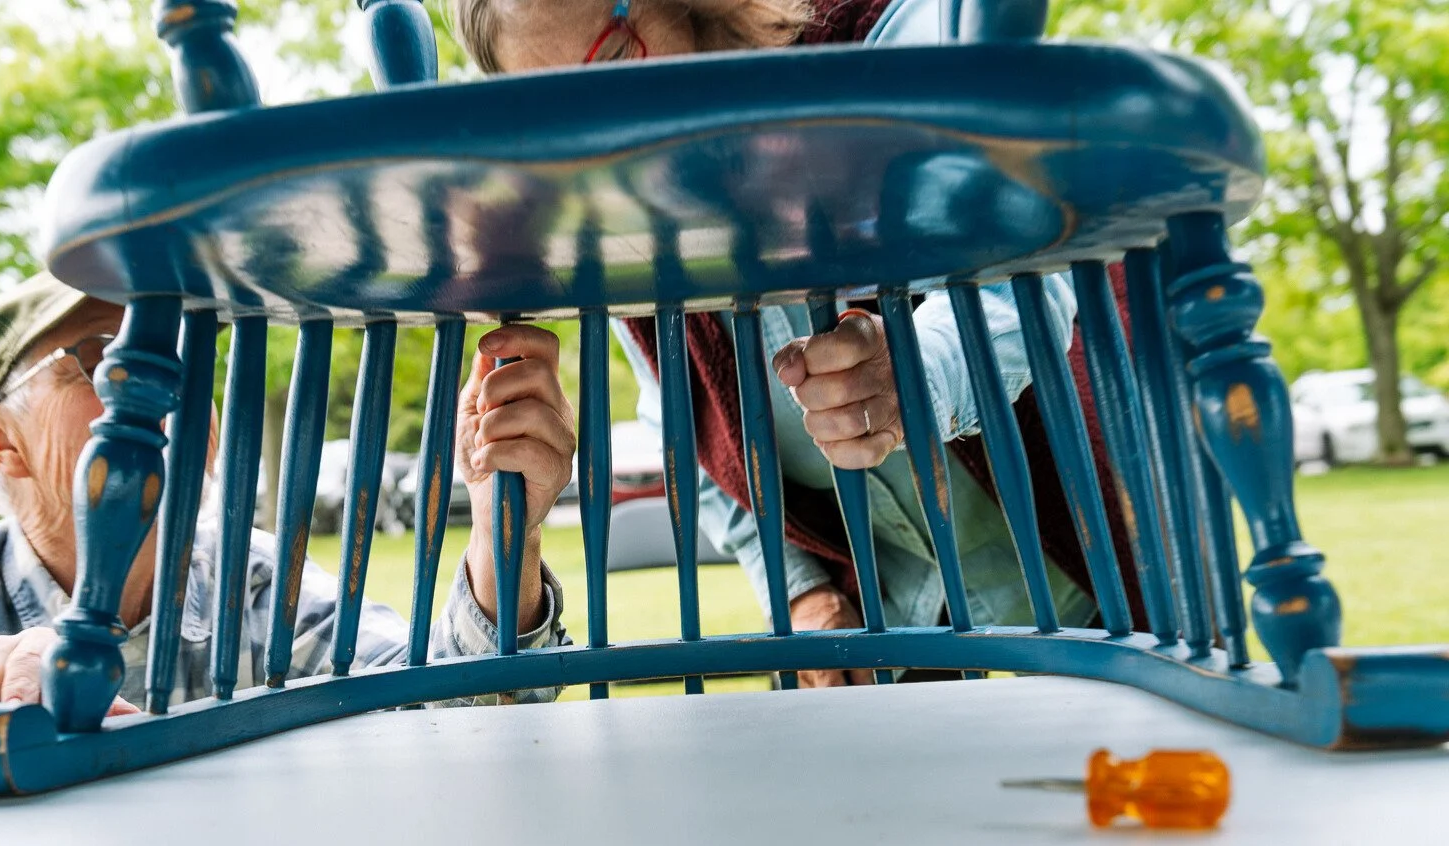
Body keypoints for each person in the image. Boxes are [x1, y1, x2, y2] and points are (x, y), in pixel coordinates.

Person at [452, 0, 1150, 686]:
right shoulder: (633, 257)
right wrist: (801, 594)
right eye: (566, 119)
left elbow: (1025, 281)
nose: (613, 138)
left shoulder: (869, 46)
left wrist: (915, 376)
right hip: (899, 631)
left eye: (612, 57)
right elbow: (698, 457)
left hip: (1096, 572)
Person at [0, 273, 576, 731]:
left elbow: (451, 712)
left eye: (187, 359)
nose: (167, 389)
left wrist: (498, 531)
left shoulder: (255, 585)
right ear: (0, 440)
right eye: (110, 359)